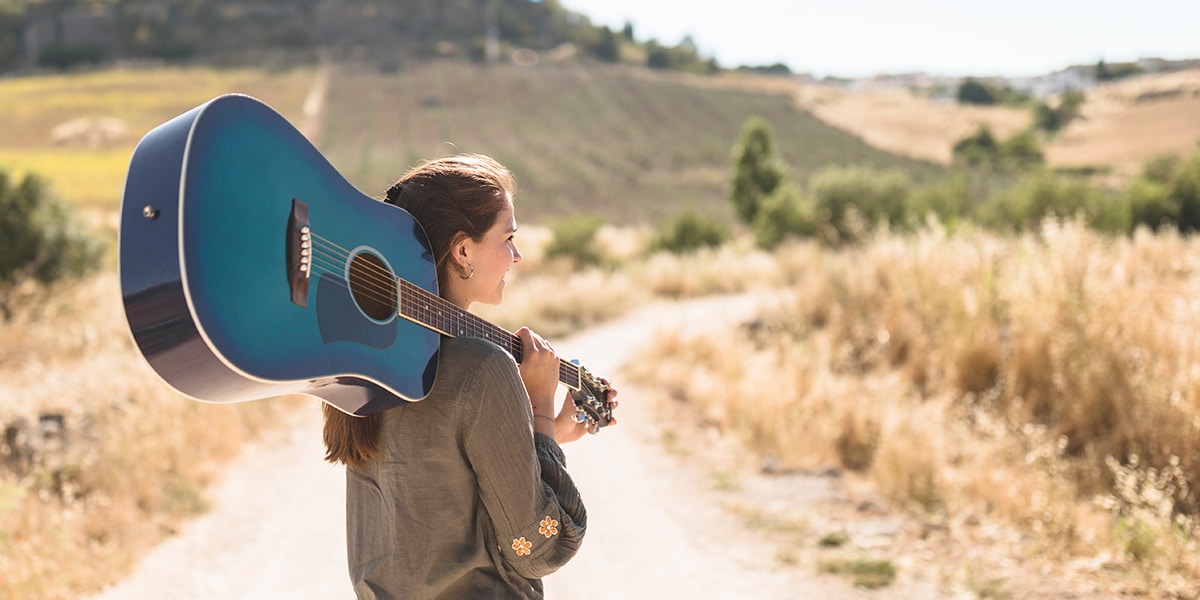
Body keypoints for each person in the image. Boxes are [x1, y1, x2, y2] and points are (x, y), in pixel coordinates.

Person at [322, 153, 617, 599]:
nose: (517, 256)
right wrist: (538, 406)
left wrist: (545, 434)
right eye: (509, 237)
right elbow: (537, 546)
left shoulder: (365, 357)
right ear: (462, 251)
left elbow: (445, 480)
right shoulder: (481, 368)